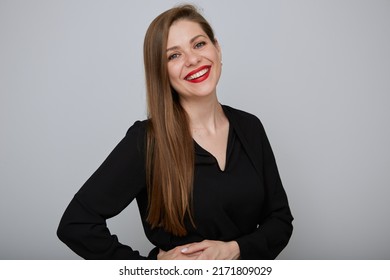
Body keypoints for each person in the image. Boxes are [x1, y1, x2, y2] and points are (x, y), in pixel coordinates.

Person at [57, 4, 293, 260]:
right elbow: (76, 224)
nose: (192, 59)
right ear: (162, 72)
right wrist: (149, 270)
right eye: (174, 56)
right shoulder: (148, 141)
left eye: (199, 44)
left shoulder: (250, 127)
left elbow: (280, 220)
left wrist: (234, 250)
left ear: (217, 48)